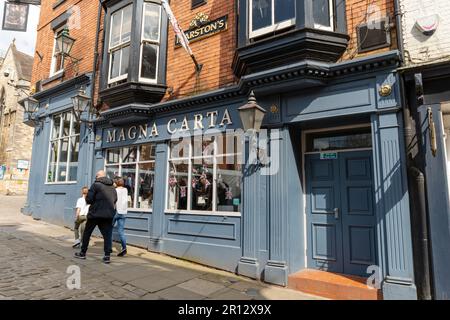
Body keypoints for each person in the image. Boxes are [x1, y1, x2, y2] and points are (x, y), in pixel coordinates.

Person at [75, 170, 117, 264]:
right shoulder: (112, 186)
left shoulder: (95, 185)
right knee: (107, 236)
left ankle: (83, 253)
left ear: (98, 176)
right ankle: (107, 256)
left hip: (95, 214)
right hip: (108, 215)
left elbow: (89, 200)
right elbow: (115, 199)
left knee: (87, 233)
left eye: (96, 177)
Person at [113, 177, 128, 257]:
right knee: (121, 231)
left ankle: (108, 247)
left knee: (109, 229)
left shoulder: (115, 190)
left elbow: (113, 200)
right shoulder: (126, 190)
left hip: (116, 211)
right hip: (123, 212)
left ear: (116, 183)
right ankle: (124, 247)